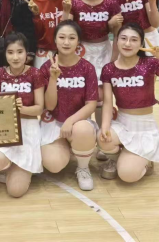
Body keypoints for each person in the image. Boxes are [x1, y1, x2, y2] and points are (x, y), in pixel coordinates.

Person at [98, 23, 159, 183]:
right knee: (102, 139)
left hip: (145, 127)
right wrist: (105, 127)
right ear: (116, 41)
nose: (128, 43)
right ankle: (117, 158)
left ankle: (146, 160)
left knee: (127, 175)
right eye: (123, 38)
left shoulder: (150, 64)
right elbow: (108, 103)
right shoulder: (109, 69)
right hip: (122, 123)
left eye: (134, 40)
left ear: (141, 43)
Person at [61, 0, 122, 153]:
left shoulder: (111, 2)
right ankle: (84, 139)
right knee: (83, 96)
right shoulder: (75, 3)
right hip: (82, 53)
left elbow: (118, 35)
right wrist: (65, 11)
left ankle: (104, 142)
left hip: (104, 51)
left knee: (102, 98)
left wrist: (114, 60)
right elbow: (65, 30)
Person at [40, 21, 98, 191]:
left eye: (72, 38)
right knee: (54, 165)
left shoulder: (87, 68)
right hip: (53, 122)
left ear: (78, 42)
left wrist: (70, 121)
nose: (66, 42)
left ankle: (83, 167)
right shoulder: (46, 67)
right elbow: (49, 106)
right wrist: (53, 78)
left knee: (83, 130)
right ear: (55, 40)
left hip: (78, 123)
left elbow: (91, 104)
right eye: (62, 37)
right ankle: (69, 147)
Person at [0, 33, 46, 198]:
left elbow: (39, 109)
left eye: (20, 52)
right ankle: (7, 166)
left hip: (28, 126)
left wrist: (22, 109)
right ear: (5, 53)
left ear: (27, 53)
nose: (15, 57)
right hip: (4, 127)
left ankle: (20, 170)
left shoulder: (35, 73)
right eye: (10, 52)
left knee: (15, 191)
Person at [23, 0, 76, 68]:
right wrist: (36, 15)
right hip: (43, 51)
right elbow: (35, 34)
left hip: (67, 50)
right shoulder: (35, 1)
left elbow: (74, 30)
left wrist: (66, 11)